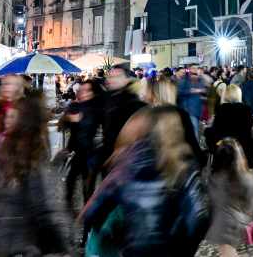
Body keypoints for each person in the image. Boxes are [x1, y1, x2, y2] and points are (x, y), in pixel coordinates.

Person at [81, 106, 210, 256]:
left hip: (136, 250)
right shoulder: (185, 169)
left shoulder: (127, 166)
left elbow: (93, 212)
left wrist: (117, 233)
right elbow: (199, 221)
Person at [0, 97, 70, 256]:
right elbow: (42, 203)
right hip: (16, 234)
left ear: (24, 120)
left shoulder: (19, 148)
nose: (6, 121)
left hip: (5, 231)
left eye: (12, 117)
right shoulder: (17, 147)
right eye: (7, 116)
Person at [205, 138, 253, 257]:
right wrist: (246, 218)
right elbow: (252, 203)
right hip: (238, 221)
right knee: (228, 252)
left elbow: (212, 200)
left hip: (222, 223)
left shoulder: (214, 178)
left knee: (227, 253)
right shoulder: (246, 179)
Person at [62, 79, 104, 210]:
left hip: (92, 150)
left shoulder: (98, 108)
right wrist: (68, 118)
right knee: (71, 178)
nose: (83, 92)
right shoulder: (75, 106)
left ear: (93, 93)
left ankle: (87, 207)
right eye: (82, 90)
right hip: (77, 150)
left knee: (87, 181)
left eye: (87, 90)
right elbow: (65, 124)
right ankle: (70, 203)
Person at [102, 65, 146, 167]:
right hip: (109, 151)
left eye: (117, 76)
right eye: (110, 76)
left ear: (127, 79)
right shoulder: (107, 97)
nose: (112, 79)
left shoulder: (134, 103)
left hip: (128, 156)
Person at [205, 85, 253, 168]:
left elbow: (214, 133)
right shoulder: (246, 110)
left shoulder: (220, 110)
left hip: (224, 153)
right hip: (243, 154)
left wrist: (207, 133)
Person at [177, 65, 208, 138]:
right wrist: (191, 91)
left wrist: (203, 92)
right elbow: (179, 93)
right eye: (193, 68)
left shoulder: (201, 80)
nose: (195, 70)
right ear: (189, 70)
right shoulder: (184, 81)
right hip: (189, 110)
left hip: (198, 111)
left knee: (195, 131)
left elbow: (204, 92)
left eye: (197, 68)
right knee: (194, 132)